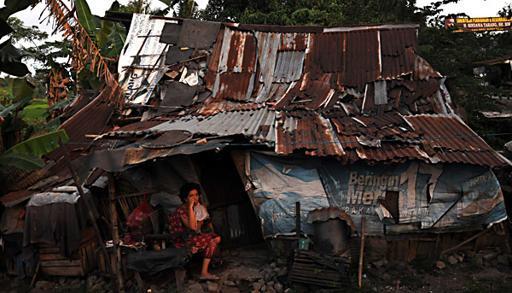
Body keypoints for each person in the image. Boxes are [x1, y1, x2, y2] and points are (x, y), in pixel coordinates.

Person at [168, 183, 221, 280]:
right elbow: (193, 227)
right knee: (213, 239)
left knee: (215, 239)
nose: (195, 198)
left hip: (191, 237)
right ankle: (204, 272)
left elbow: (199, 226)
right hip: (182, 241)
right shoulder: (182, 210)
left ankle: (204, 272)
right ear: (185, 198)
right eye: (191, 196)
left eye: (196, 195)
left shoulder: (196, 208)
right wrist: (191, 207)